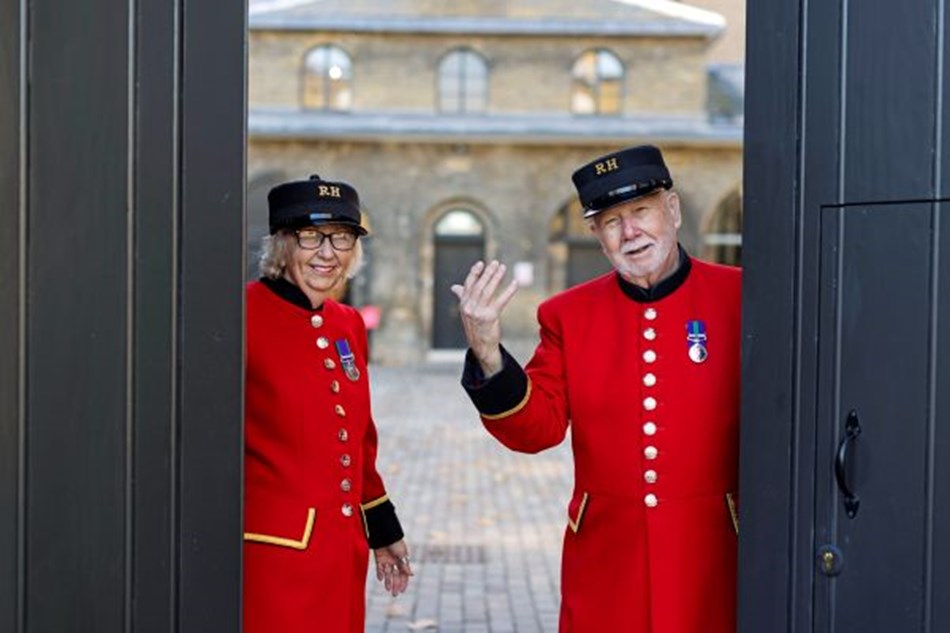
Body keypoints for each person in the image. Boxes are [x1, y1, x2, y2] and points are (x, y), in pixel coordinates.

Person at [451, 145, 741, 632]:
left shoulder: (739, 296)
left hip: (713, 551)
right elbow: (534, 429)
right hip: (606, 557)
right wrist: (488, 353)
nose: (630, 232)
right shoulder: (568, 314)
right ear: (595, 235)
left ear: (672, 210)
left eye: (641, 211)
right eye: (611, 221)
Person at [244, 175, 412, 633]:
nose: (327, 252)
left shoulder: (347, 324)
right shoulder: (241, 315)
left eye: (341, 237)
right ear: (281, 243)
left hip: (342, 553)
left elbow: (359, 439)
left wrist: (383, 529)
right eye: (310, 236)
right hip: (270, 557)